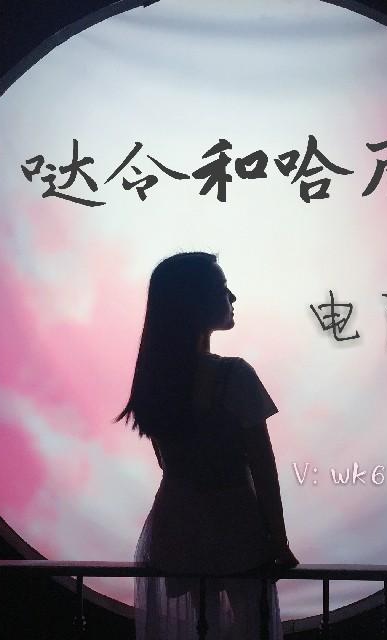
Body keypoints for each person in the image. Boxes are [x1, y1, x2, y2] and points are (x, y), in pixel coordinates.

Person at [114, 251, 298, 639]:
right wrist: (279, 542)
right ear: (194, 302)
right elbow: (263, 469)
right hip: (235, 525)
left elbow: (167, 463)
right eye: (221, 288)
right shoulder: (235, 375)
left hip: (176, 524)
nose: (232, 297)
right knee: (251, 625)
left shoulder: (155, 381)